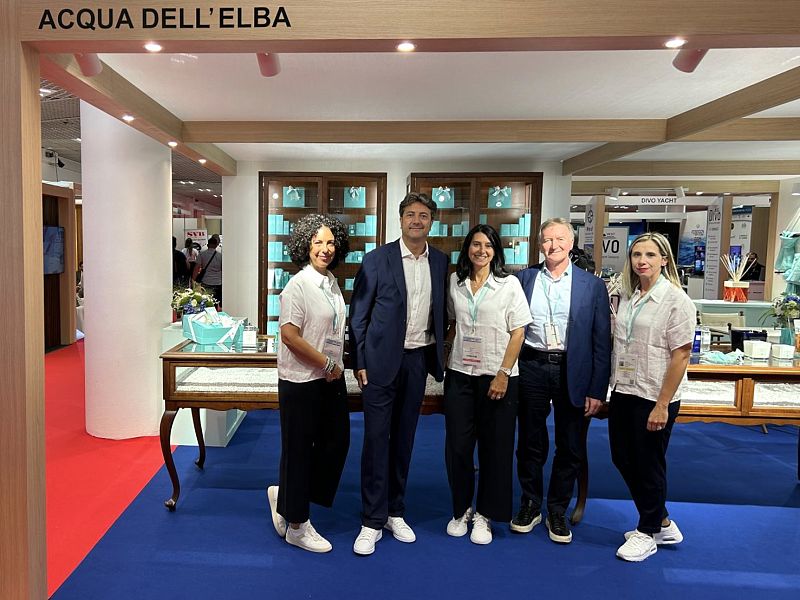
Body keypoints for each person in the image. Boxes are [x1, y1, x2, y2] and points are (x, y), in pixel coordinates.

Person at [349, 192, 448, 556]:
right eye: (410, 214)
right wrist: (359, 360)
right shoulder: (377, 260)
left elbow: (441, 311)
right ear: (400, 219)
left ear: (431, 222)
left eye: (423, 215)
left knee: (405, 439)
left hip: (417, 361)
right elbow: (358, 315)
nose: (416, 221)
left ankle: (395, 511)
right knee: (376, 440)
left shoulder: (440, 261)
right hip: (379, 364)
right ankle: (371, 520)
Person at [511, 217, 610, 544]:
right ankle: (530, 503)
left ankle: (557, 509)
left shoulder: (591, 285)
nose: (552, 245)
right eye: (547, 240)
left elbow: (601, 341)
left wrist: (597, 388)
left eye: (559, 239)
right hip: (532, 365)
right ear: (539, 244)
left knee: (570, 444)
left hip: (574, 368)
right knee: (530, 441)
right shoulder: (524, 279)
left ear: (571, 243)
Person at [266, 214, 351, 553]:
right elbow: (289, 336)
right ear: (305, 245)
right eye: (318, 242)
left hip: (329, 377)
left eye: (330, 242)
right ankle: (297, 526)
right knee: (299, 451)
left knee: (337, 443)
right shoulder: (297, 286)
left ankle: (287, 495)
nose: (325, 249)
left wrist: (334, 366)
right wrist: (326, 363)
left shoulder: (331, 282)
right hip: (301, 380)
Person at [609, 232, 695, 562]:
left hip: (655, 395)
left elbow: (681, 355)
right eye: (636, 254)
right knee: (622, 457)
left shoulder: (676, 300)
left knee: (648, 463)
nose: (641, 261)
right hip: (625, 389)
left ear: (664, 260)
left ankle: (647, 532)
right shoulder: (630, 296)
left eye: (649, 255)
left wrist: (662, 404)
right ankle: (661, 521)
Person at [443, 224, 531, 544]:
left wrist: (503, 373)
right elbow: (453, 323)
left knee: (496, 448)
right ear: (467, 248)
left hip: (498, 377)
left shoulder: (509, 285)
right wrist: (443, 354)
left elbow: (518, 332)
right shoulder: (455, 283)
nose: (482, 251)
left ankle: (485, 515)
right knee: (458, 447)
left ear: (496, 251)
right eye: (476, 244)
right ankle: (462, 509)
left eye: (488, 245)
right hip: (460, 374)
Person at [194, 234, 222, 308]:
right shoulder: (220, 255)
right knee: (217, 301)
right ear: (216, 245)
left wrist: (194, 279)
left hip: (206, 281)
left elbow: (197, 268)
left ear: (208, 245)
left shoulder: (202, 254)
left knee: (207, 301)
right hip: (218, 282)